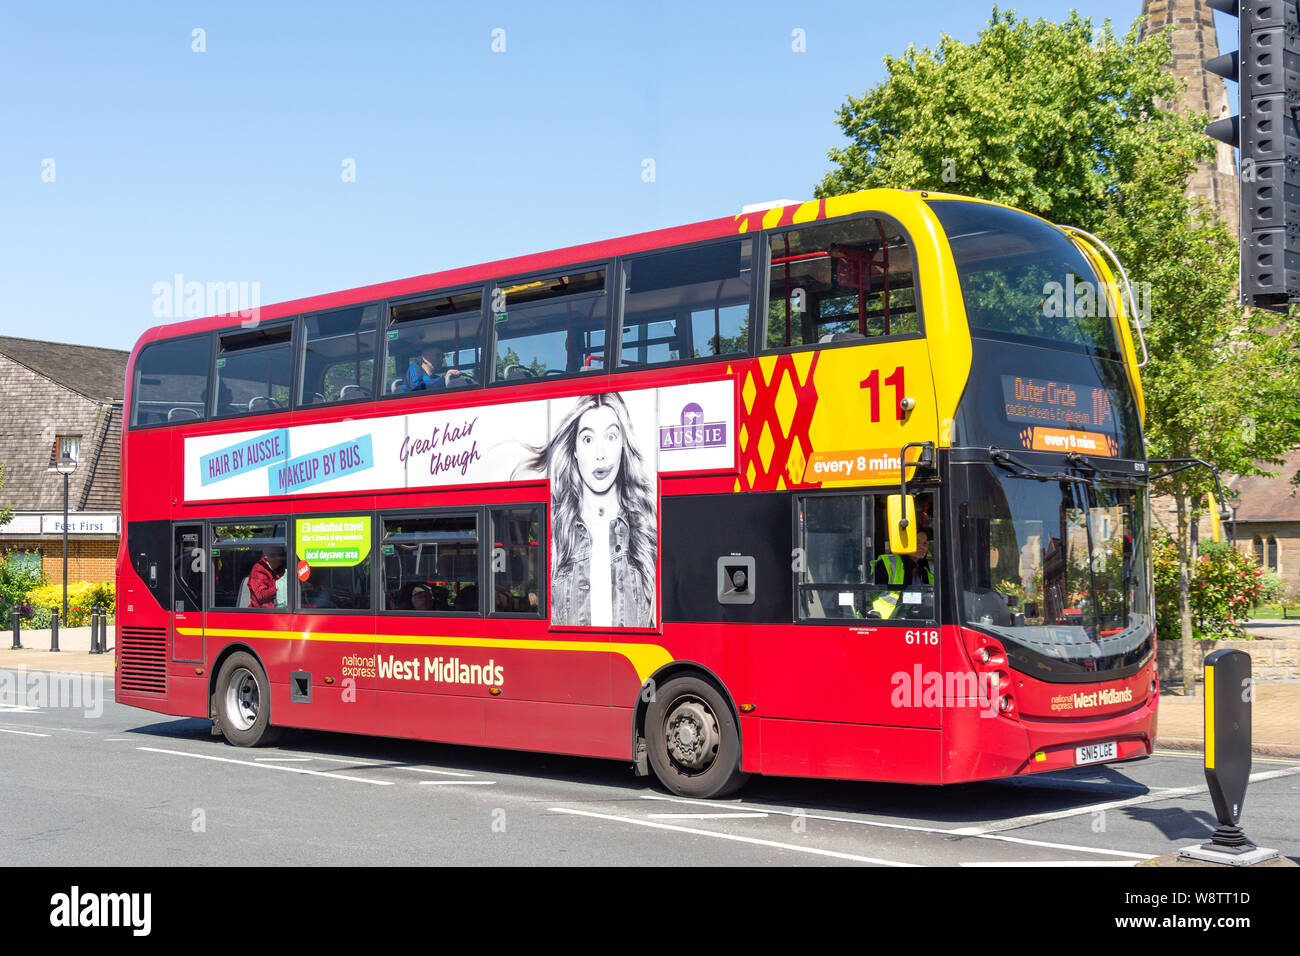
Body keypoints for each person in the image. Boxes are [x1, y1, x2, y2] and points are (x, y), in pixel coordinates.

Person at [517, 392, 656, 628]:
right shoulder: (555, 534)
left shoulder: (645, 531)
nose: (600, 454)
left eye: (611, 436)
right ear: (574, 449)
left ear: (623, 443)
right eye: (588, 439)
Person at [871, 529, 934, 620]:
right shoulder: (888, 563)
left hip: (920, 619)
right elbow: (870, 595)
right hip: (887, 619)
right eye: (916, 542)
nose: (922, 547)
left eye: (925, 543)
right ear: (904, 544)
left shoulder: (927, 569)